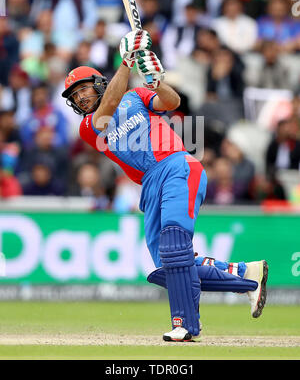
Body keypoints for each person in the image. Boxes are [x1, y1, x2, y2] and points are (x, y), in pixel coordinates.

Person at [62, 29, 268, 342]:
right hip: (149, 186)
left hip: (176, 166)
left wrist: (156, 81)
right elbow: (109, 105)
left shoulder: (135, 97)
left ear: (99, 83)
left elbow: (172, 101)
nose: (81, 98)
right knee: (170, 268)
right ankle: (246, 275)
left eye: (84, 90)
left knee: (174, 247)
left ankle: (185, 324)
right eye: (75, 97)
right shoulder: (90, 126)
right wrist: (127, 62)